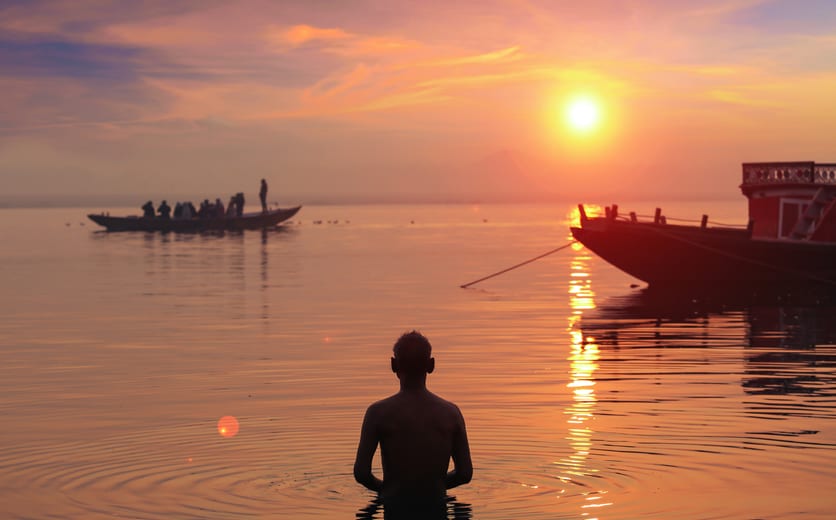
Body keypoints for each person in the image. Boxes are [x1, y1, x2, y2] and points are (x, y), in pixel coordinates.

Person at [354, 331, 472, 515]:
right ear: (431, 365)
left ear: (393, 365)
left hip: (394, 504)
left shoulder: (378, 413)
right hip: (435, 504)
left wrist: (388, 490)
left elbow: (361, 473)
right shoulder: (451, 413)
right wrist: (435, 486)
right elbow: (464, 474)